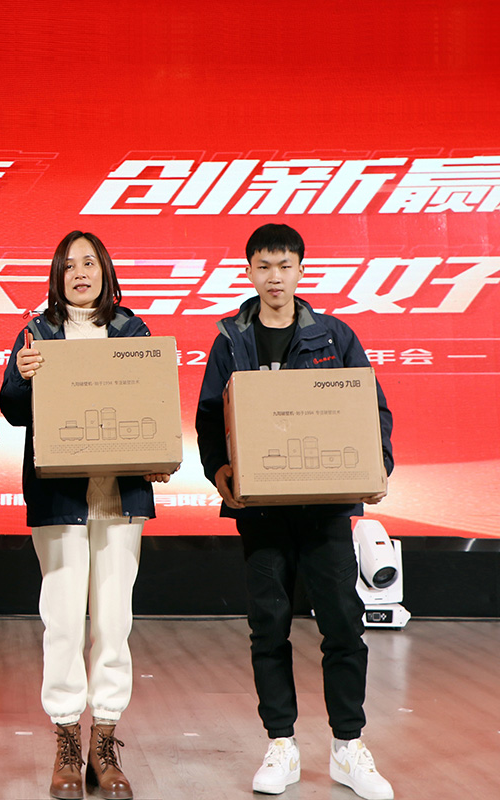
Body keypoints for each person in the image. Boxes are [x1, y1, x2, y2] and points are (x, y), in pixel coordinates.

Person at [194, 224, 394, 800]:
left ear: (301, 270)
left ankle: (348, 746)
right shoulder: (231, 339)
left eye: (284, 265)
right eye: (264, 266)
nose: (274, 277)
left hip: (326, 508)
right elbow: (209, 416)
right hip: (262, 512)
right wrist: (218, 470)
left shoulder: (335, 335)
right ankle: (280, 743)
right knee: (269, 625)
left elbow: (370, 407)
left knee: (343, 624)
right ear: (249, 272)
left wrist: (377, 463)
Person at [0, 230, 171, 800]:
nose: (80, 273)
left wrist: (157, 452)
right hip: (60, 500)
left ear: (105, 272)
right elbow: (12, 410)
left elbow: (153, 402)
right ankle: (68, 741)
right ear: (57, 275)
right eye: (69, 265)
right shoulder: (37, 332)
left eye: (89, 263)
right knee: (65, 622)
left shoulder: (133, 332)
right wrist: (21, 375)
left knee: (114, 624)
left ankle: (105, 743)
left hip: (121, 499)